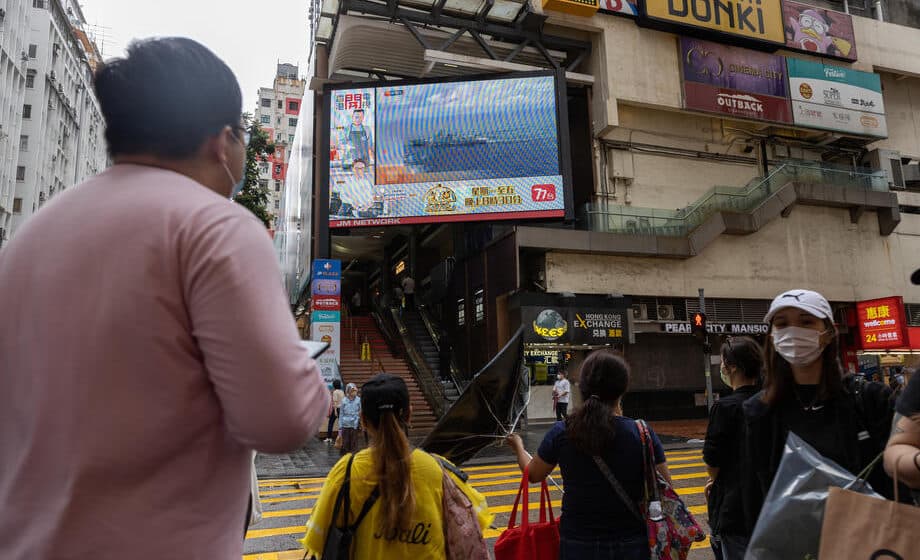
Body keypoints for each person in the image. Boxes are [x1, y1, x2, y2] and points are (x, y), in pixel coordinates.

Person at [0, 37, 330, 560]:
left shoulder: (26, 242)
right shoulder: (216, 227)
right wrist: (306, 371)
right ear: (224, 142)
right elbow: (282, 420)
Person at [743, 289, 894, 532]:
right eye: (782, 324)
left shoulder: (870, 399)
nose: (793, 331)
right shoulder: (759, 411)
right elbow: (755, 492)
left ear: (828, 333)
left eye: (806, 322)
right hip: (794, 544)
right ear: (772, 337)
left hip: (868, 538)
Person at [301, 374, 492, 558]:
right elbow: (477, 519)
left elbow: (318, 540)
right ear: (409, 413)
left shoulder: (347, 471)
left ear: (363, 420)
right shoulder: (438, 470)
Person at [507, 351, 672, 560]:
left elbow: (533, 474)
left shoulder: (562, 431)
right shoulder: (641, 432)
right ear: (622, 388)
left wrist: (518, 447)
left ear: (582, 387)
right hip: (632, 542)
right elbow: (665, 484)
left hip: (578, 542)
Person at [704, 337, 763, 560]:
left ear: (732, 367)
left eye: (723, 362)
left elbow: (713, 465)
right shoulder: (771, 401)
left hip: (735, 510)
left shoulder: (725, 408)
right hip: (771, 505)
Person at [339, 383, 363, 455]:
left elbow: (361, 411)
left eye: (355, 390)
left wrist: (359, 420)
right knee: (345, 442)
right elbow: (341, 414)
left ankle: (353, 456)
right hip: (345, 424)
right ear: (348, 391)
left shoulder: (358, 400)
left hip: (354, 424)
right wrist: (340, 426)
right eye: (353, 391)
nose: (355, 392)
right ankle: (345, 457)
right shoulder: (344, 401)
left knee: (354, 442)